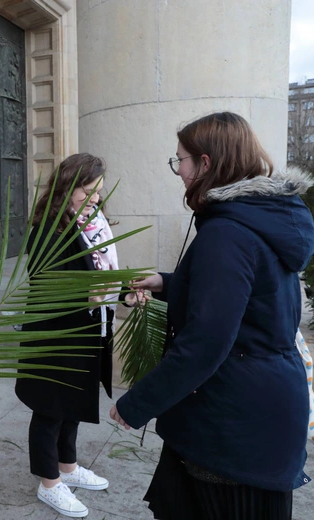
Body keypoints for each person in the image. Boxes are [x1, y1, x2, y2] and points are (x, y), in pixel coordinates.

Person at [110, 112, 314, 520]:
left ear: (206, 164)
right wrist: (166, 283)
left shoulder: (228, 233)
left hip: (233, 419)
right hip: (253, 407)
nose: (178, 171)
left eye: (180, 160)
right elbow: (251, 298)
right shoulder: (258, 219)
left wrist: (138, 403)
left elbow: (206, 341)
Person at [16, 153, 119, 518]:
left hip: (84, 329)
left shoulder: (92, 222)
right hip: (53, 336)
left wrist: (123, 291)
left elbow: (103, 270)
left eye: (98, 192)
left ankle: (68, 468)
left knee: (72, 403)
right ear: (66, 187)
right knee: (50, 409)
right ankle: (49, 483)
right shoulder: (49, 227)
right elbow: (43, 285)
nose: (94, 199)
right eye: (88, 191)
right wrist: (87, 295)